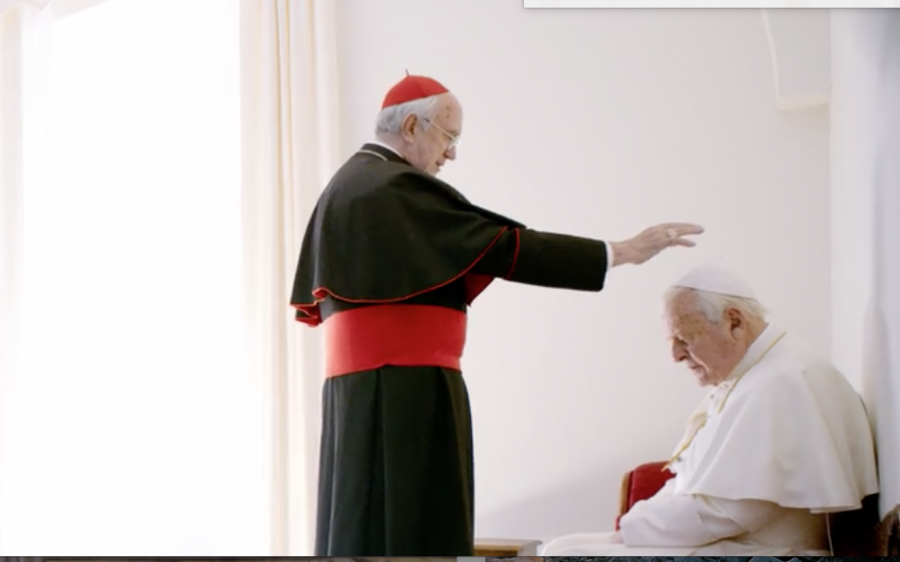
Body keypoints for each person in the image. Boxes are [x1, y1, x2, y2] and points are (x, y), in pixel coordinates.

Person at [289, 72, 704, 556]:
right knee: (408, 529)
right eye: (449, 136)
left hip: (371, 391)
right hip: (402, 393)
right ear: (410, 127)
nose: (452, 154)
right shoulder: (389, 187)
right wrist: (622, 251)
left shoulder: (355, 183)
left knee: (364, 524)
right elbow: (503, 245)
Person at [540, 264, 879, 556]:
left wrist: (634, 527)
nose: (675, 355)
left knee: (565, 554)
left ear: (734, 322)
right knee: (558, 546)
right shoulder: (754, 375)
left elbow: (728, 510)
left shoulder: (783, 381)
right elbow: (696, 484)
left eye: (684, 339)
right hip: (733, 543)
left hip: (765, 552)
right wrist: (635, 523)